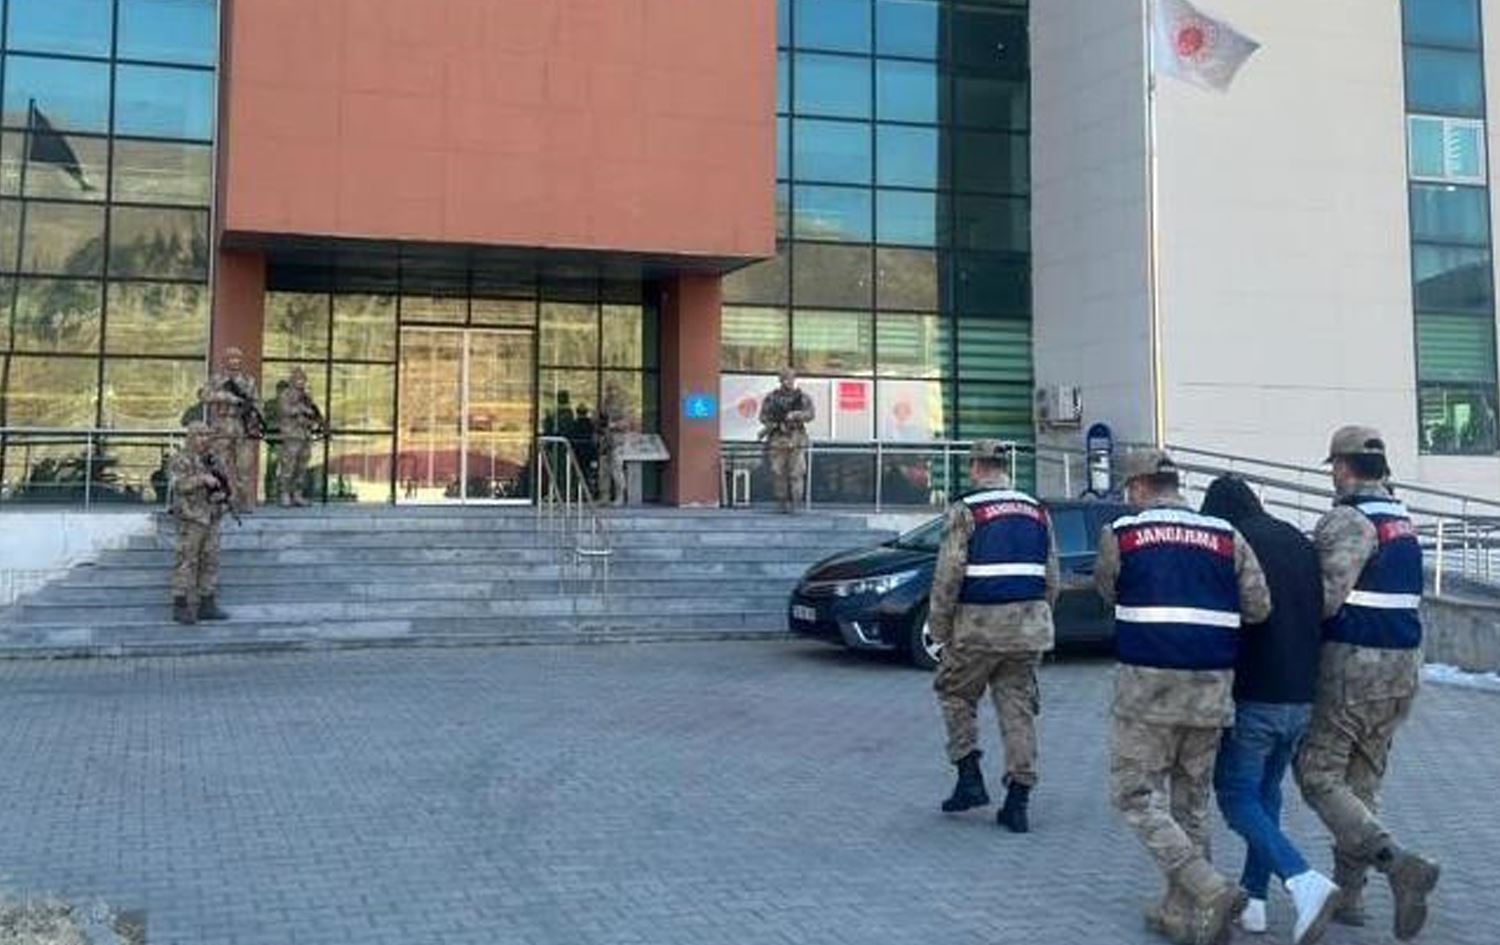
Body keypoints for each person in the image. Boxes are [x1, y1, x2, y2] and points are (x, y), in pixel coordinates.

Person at [1096, 449, 1272, 945]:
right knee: (1191, 804)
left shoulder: (1122, 534)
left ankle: (1208, 887)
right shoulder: (1226, 536)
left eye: (1129, 490)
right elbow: (1259, 607)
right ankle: (1188, 917)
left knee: (1134, 795)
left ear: (1139, 486)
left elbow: (1108, 591)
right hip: (1211, 689)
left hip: (1146, 691)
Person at [1294, 426, 1440, 942]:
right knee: (1362, 781)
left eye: (1334, 467)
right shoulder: (1401, 519)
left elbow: (1325, 598)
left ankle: (1397, 863)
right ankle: (1350, 896)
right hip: (1401, 670)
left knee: (1317, 775)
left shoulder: (1348, 519)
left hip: (1353, 665)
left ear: (1342, 467)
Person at [1200, 477, 1339, 945]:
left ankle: (1303, 880)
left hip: (1255, 692)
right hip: (1301, 693)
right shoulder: (1297, 540)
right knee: (1266, 794)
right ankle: (1255, 901)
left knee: (1236, 796)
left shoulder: (1235, 543)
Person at [930, 440, 1059, 833]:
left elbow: (948, 575)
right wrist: (1040, 614)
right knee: (1017, 708)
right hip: (1028, 627)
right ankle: (1018, 801)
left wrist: (940, 628)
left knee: (955, 693)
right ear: (1005, 467)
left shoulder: (967, 510)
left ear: (975, 467)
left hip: (978, 628)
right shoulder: (1037, 510)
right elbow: (1052, 575)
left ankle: (969, 777)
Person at [168, 422, 231, 625]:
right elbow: (179, 485)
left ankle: (207, 603)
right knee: (187, 560)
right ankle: (180, 604)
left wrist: (222, 495)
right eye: (200, 435)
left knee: (210, 559)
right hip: (192, 517)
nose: (204, 439)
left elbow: (224, 483)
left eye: (207, 435)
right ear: (191, 437)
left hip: (211, 516)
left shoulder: (213, 460)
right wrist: (201, 479)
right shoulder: (181, 459)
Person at [204, 346, 262, 514]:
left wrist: (254, 419)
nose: (234, 361)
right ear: (225, 360)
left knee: (244, 467)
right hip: (222, 426)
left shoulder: (248, 381)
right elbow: (204, 395)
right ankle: (220, 500)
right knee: (219, 465)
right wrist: (226, 397)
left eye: (237, 358)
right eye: (231, 358)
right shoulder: (217, 380)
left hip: (242, 427)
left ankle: (243, 500)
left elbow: (257, 403)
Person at [758, 368, 815, 513]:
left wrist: (796, 415)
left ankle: (796, 503)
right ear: (780, 380)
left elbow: (810, 414)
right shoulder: (772, 398)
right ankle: (781, 503)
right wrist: (773, 424)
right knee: (778, 472)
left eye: (790, 378)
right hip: (778, 439)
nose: (788, 381)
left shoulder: (802, 397)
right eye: (785, 378)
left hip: (796, 439)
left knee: (797, 473)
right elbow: (763, 417)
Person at [276, 367, 324, 508]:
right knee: (288, 466)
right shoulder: (286, 394)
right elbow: (285, 410)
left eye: (303, 379)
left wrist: (312, 418)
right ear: (292, 380)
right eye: (298, 379)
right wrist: (300, 409)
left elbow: (312, 413)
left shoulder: (306, 396)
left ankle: (297, 494)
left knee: (302, 467)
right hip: (291, 435)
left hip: (305, 435)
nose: (301, 382)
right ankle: (285, 493)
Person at [596, 382, 634, 506]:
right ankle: (604, 496)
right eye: (608, 389)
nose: (610, 392)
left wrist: (614, 425)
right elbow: (599, 420)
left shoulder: (622, 404)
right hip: (605, 441)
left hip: (617, 442)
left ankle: (620, 496)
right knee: (603, 471)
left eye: (612, 389)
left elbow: (627, 422)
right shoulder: (604, 404)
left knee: (616, 469)